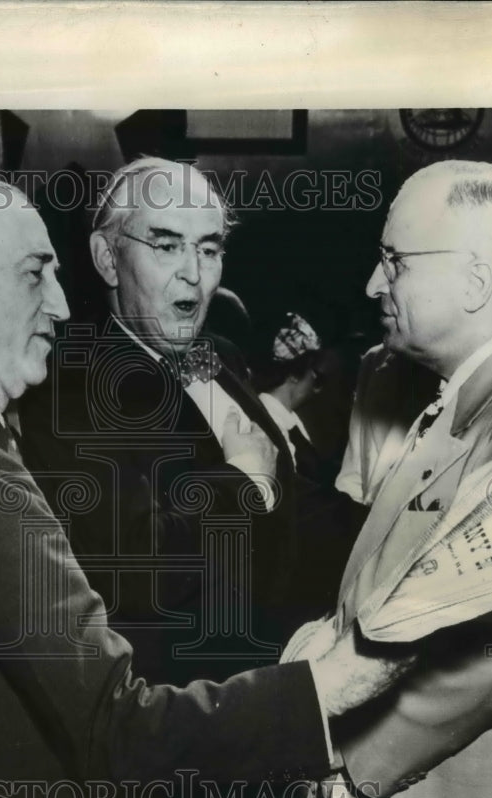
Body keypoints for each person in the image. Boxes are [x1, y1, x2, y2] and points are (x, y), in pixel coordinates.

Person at [0, 176, 405, 798]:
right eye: (33, 274)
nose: (61, 305)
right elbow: (117, 730)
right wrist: (325, 687)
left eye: (210, 249)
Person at [18, 158, 364, 686]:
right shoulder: (67, 383)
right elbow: (132, 566)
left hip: (285, 682)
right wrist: (244, 481)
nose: (194, 274)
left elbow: (294, 502)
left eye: (208, 249)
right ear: (108, 260)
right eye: (167, 246)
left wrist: (399, 525)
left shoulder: (218, 354)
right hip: (188, 714)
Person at [321, 160, 492, 798]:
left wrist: (348, 763)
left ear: (475, 280)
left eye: (395, 262)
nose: (372, 285)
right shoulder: (466, 406)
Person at [251, 311, 338, 486]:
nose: (317, 390)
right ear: (295, 374)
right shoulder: (270, 423)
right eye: (316, 376)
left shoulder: (290, 419)